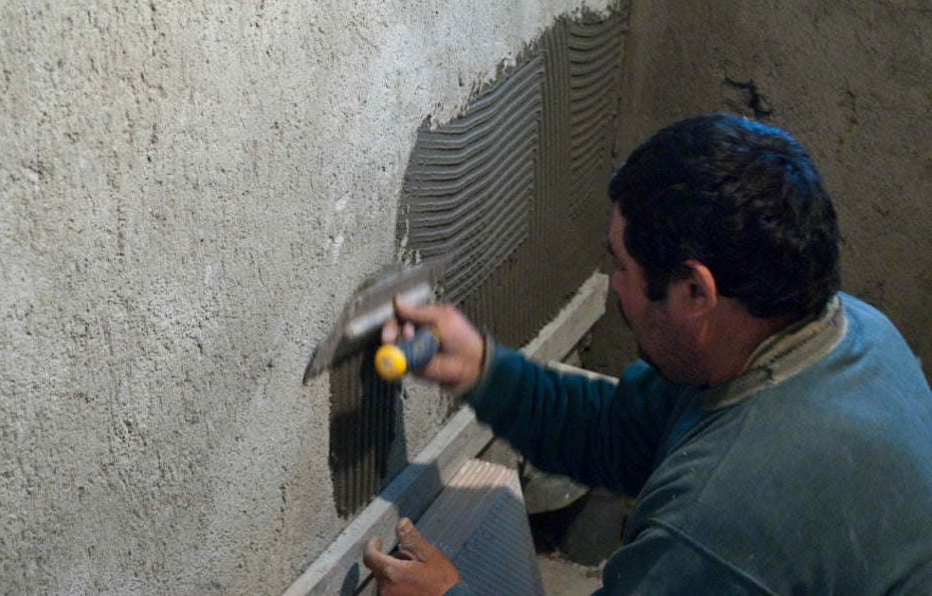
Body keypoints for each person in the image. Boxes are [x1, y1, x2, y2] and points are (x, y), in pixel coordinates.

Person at [362, 114, 932, 595]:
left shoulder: (712, 528)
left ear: (695, 292)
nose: (614, 286)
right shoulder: (840, 329)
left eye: (623, 268)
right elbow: (620, 433)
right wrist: (484, 370)